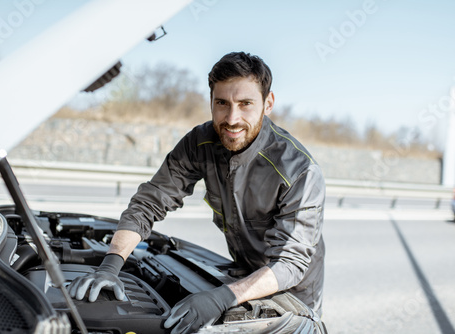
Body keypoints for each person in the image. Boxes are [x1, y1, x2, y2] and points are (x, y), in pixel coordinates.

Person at [68, 51, 326, 334]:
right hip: (242, 270)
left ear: (268, 103)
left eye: (246, 104)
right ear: (211, 102)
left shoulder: (299, 170)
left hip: (291, 291)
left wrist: (221, 297)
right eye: (222, 103)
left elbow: (289, 263)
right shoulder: (199, 143)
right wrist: (110, 265)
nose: (232, 118)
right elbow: (148, 203)